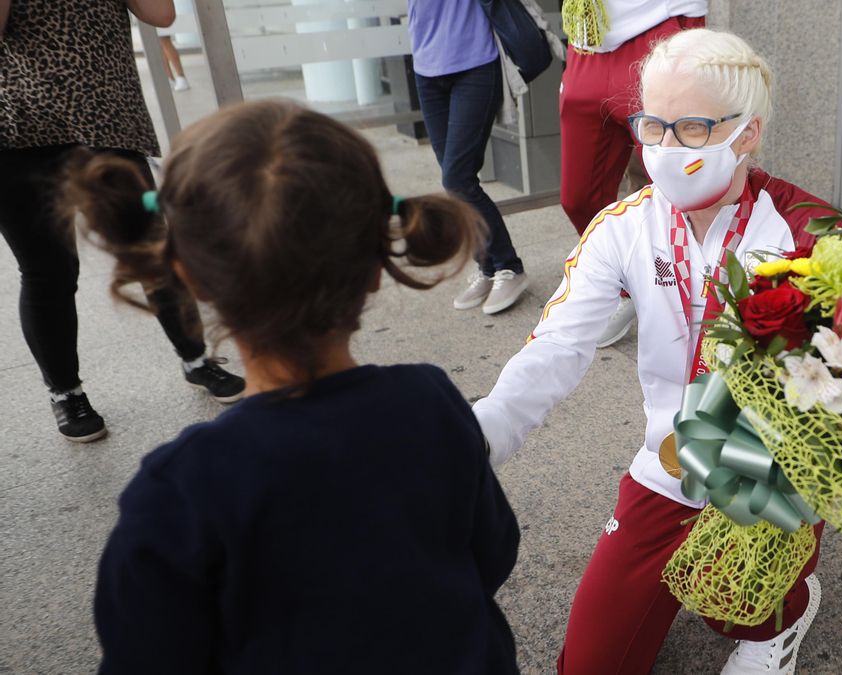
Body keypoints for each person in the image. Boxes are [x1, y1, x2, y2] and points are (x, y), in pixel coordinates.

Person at [75, 100, 521, 674]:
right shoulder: (431, 402)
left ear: (190, 276)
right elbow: (492, 553)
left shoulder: (180, 489)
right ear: (373, 266)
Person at [474, 29, 835, 675]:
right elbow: (558, 342)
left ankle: (788, 611)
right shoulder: (623, 226)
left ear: (746, 134)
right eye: (651, 125)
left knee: (736, 601)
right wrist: (484, 427)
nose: (664, 149)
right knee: (588, 666)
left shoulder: (808, 229)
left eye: (691, 128)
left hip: (766, 472)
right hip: (666, 467)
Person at [0, 0, 243, 443]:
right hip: (21, 128)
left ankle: (195, 359)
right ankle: (66, 392)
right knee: (48, 271)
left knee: (151, 252)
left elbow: (161, 14)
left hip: (109, 120)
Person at [559, 0, 708, 347]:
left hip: (657, 31)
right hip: (588, 41)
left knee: (684, 190)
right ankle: (627, 288)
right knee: (578, 197)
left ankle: (697, 296)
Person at [408, 0, 530, 315]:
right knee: (456, 182)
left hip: (475, 61)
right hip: (426, 63)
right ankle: (487, 266)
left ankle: (509, 267)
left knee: (457, 178)